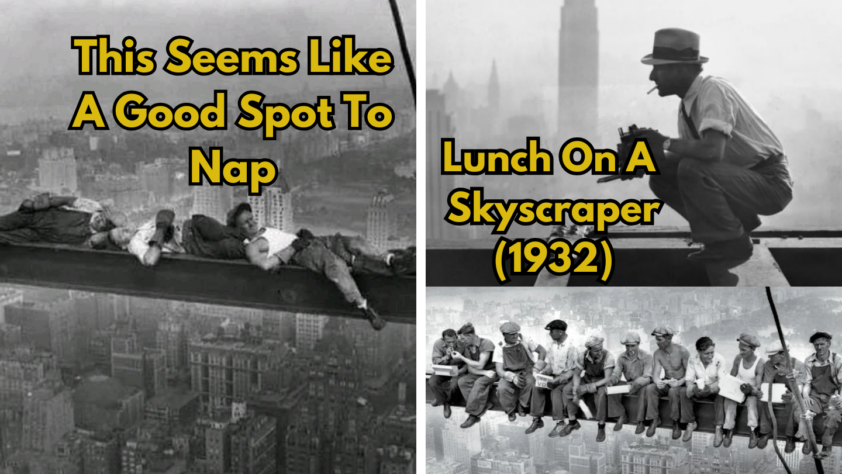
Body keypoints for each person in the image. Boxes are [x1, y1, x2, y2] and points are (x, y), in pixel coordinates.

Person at [636, 28, 792, 261]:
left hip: (770, 183)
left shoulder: (713, 89)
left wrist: (664, 142)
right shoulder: (688, 105)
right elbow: (691, 157)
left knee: (690, 168)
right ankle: (732, 229)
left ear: (680, 69)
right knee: (660, 175)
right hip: (743, 179)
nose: (652, 77)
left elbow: (711, 152)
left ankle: (732, 242)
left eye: (658, 68)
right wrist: (645, 160)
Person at [230, 203, 395, 330]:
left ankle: (389, 260)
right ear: (238, 230)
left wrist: (300, 234)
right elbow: (265, 265)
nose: (251, 223)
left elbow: (283, 237)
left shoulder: (265, 227)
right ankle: (365, 307)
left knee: (355, 242)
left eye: (251, 218)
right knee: (336, 265)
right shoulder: (251, 247)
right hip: (301, 252)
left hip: (312, 241)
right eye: (245, 223)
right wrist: (294, 247)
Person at [0, 193, 124, 246]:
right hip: (38, 216)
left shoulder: (94, 236)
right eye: (101, 216)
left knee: (4, 238)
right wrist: (39, 204)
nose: (100, 219)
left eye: (103, 222)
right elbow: (66, 200)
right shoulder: (92, 207)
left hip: (39, 235)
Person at [559, 335, 617, 442]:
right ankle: (573, 422)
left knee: (601, 395)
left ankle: (601, 425)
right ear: (589, 350)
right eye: (596, 351)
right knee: (568, 389)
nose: (599, 352)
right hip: (587, 378)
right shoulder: (583, 356)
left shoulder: (608, 356)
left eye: (600, 350)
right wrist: (576, 388)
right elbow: (576, 374)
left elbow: (607, 378)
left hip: (601, 381)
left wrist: (590, 387)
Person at [526, 319, 578, 437]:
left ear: (560, 332)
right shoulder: (552, 346)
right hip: (554, 376)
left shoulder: (571, 346)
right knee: (537, 386)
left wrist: (559, 379)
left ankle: (560, 422)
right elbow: (550, 364)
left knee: (555, 391)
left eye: (552, 332)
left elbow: (573, 370)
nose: (550, 334)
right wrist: (543, 373)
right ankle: (537, 419)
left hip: (567, 378)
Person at [795, 332, 842, 457]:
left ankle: (827, 444)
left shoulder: (838, 360)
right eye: (816, 345)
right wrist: (806, 396)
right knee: (803, 411)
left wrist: (841, 398)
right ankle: (809, 439)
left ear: (829, 344)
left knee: (833, 415)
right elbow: (807, 382)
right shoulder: (809, 360)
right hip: (815, 396)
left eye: (822, 344)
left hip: (832, 397)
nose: (819, 347)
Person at [757, 341, 807, 452]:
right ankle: (765, 431)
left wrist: (791, 395)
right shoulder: (768, 364)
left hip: (792, 395)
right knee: (763, 400)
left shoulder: (798, 365)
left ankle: (790, 436)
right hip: (774, 394)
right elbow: (766, 383)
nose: (769, 357)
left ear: (783, 354)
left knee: (794, 403)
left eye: (772, 354)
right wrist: (763, 392)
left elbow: (799, 388)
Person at [641, 326, 690, 438]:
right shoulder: (657, 354)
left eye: (659, 339)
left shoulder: (683, 351)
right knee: (650, 388)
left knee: (673, 392)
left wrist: (679, 382)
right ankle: (654, 419)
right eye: (656, 339)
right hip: (668, 381)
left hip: (681, 383)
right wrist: (658, 381)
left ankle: (675, 422)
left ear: (668, 339)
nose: (656, 342)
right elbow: (656, 373)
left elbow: (690, 374)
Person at [493, 322, 547, 422]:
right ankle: (510, 411)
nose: (515, 336)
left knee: (530, 383)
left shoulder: (525, 339)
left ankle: (522, 406)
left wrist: (537, 368)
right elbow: (499, 370)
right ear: (504, 335)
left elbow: (542, 351)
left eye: (516, 333)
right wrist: (512, 377)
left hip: (527, 370)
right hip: (509, 373)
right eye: (511, 334)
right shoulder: (499, 347)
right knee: (502, 388)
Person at [607, 332, 653, 435]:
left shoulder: (647, 357)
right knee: (613, 388)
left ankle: (640, 421)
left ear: (638, 344)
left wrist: (637, 383)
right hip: (629, 384)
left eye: (633, 346)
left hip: (642, 384)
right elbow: (616, 373)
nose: (630, 349)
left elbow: (648, 376)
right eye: (627, 346)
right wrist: (611, 381)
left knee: (643, 391)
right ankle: (621, 415)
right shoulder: (621, 357)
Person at [683, 337, 727, 444]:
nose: (710, 356)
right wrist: (693, 388)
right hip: (700, 387)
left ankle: (718, 428)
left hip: (714, 388)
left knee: (721, 395)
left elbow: (722, 381)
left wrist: (710, 389)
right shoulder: (693, 359)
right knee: (683, 392)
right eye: (707, 353)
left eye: (712, 352)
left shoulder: (720, 359)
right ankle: (691, 422)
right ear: (699, 352)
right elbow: (689, 378)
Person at [723, 333, 764, 449]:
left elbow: (759, 385)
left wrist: (751, 389)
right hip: (739, 388)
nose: (741, 352)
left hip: (751, 391)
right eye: (740, 349)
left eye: (744, 350)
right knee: (729, 400)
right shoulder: (738, 358)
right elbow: (732, 375)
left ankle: (753, 430)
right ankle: (729, 428)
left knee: (751, 403)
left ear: (753, 349)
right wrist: (728, 387)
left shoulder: (759, 363)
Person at [453, 323, 497, 429]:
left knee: (479, 383)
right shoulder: (467, 347)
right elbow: (471, 367)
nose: (462, 341)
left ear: (470, 336)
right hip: (482, 373)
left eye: (463, 338)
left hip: (493, 372)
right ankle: (484, 404)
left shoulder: (486, 343)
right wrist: (483, 373)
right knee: (462, 381)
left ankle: (473, 415)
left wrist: (461, 358)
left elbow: (480, 364)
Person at [429, 329, 464, 420]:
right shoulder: (438, 344)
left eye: (453, 341)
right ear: (443, 340)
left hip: (458, 370)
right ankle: (445, 402)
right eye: (448, 342)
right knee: (432, 381)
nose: (451, 344)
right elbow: (436, 362)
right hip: (443, 369)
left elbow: (468, 363)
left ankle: (442, 400)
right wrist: (447, 357)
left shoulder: (463, 343)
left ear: (456, 337)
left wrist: (460, 371)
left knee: (453, 385)